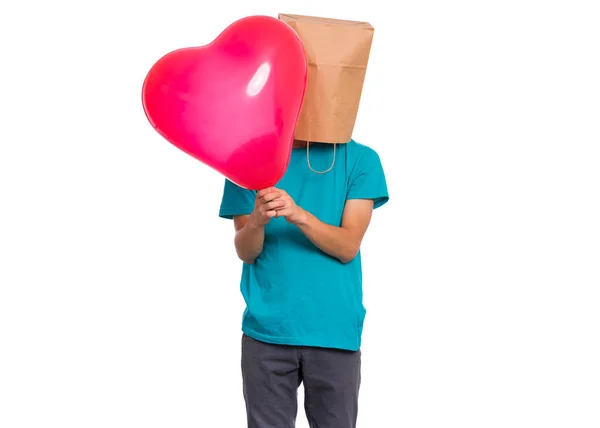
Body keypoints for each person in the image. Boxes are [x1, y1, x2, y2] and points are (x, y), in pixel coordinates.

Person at [219, 138, 388, 428]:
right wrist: (257, 221)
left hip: (334, 330)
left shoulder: (361, 159)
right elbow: (246, 252)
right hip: (266, 333)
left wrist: (298, 215)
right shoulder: (246, 160)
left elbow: (348, 245)